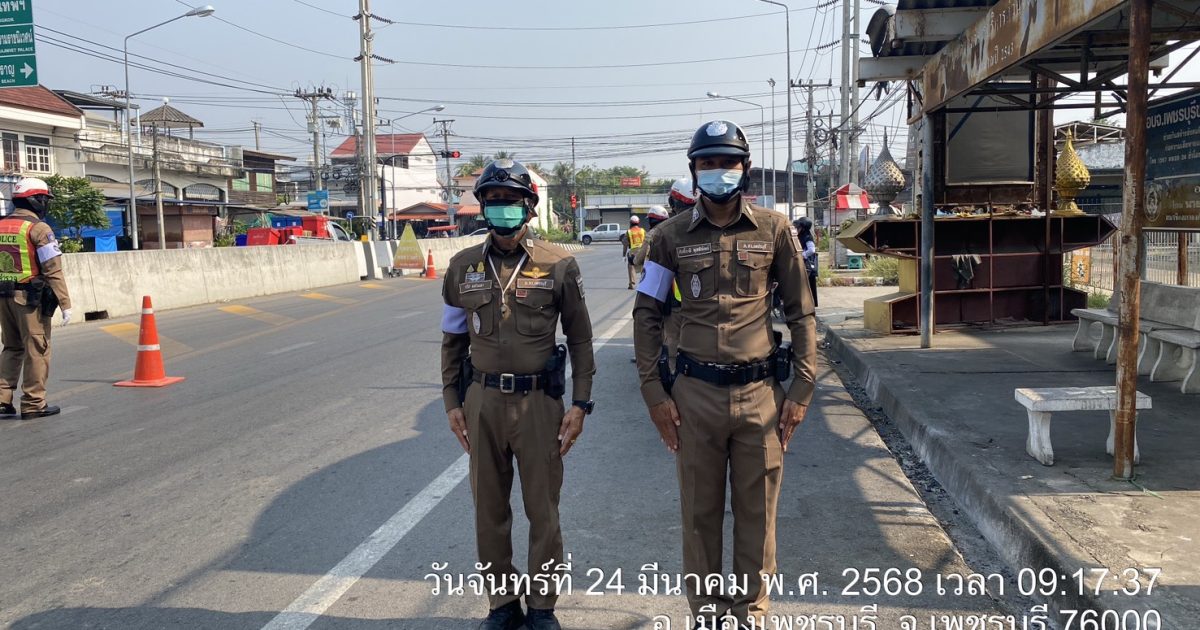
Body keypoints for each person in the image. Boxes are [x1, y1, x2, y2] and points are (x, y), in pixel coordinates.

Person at [632, 120, 817, 628]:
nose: (718, 172)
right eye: (708, 163)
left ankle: (750, 612)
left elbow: (801, 312)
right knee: (700, 515)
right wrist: (654, 393)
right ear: (694, 171)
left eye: (727, 163)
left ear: (745, 168)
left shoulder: (775, 230)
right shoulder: (668, 238)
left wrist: (802, 387)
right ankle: (708, 614)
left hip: (761, 396)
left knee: (758, 515)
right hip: (694, 396)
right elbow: (647, 315)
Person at [440, 158, 596, 630]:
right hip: (482, 401)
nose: (502, 208)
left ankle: (542, 607)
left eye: (511, 200)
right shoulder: (462, 267)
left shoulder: (558, 264)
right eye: (493, 200)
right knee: (489, 511)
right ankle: (502, 604)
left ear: (529, 206)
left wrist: (580, 404)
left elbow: (581, 339)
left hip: (538, 405)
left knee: (543, 510)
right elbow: (453, 340)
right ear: (481, 207)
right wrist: (452, 401)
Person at [0, 178, 72, 419]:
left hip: (3, 298)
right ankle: (33, 403)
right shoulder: (39, 229)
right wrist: (65, 303)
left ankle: (2, 400)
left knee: (12, 347)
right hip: (29, 301)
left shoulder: (1, 225)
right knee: (37, 349)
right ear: (37, 200)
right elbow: (53, 269)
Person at [793, 217, 819, 307]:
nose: (797, 229)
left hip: (806, 265)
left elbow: (812, 250)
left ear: (803, 228)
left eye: (799, 227)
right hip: (801, 263)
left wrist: (802, 255)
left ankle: (808, 304)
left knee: (807, 285)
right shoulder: (800, 236)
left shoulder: (807, 237)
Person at [625, 214, 645, 289]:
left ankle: (632, 283)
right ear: (638, 222)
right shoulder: (643, 231)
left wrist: (623, 255)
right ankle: (644, 283)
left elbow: (625, 243)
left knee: (631, 265)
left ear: (630, 223)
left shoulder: (628, 232)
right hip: (642, 250)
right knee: (643, 266)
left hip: (633, 251)